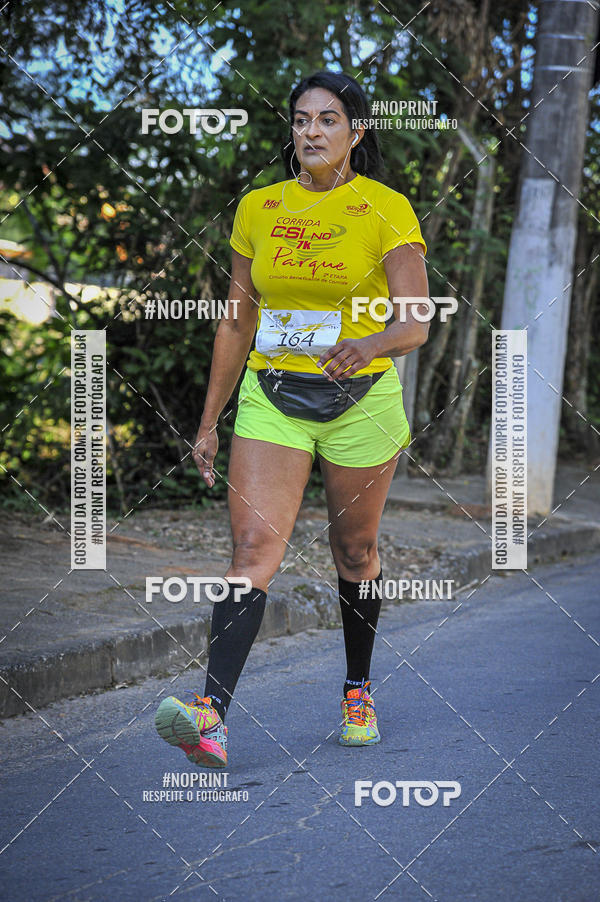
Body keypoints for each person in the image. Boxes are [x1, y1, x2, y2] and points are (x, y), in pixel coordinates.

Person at [155, 70, 429, 768]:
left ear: (356, 132)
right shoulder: (259, 207)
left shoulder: (386, 209)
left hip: (360, 402)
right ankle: (210, 714)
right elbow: (236, 320)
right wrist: (209, 421)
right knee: (252, 550)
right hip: (273, 398)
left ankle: (358, 688)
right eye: (302, 120)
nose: (311, 131)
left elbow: (417, 320)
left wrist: (369, 344)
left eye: (328, 120)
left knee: (354, 554)